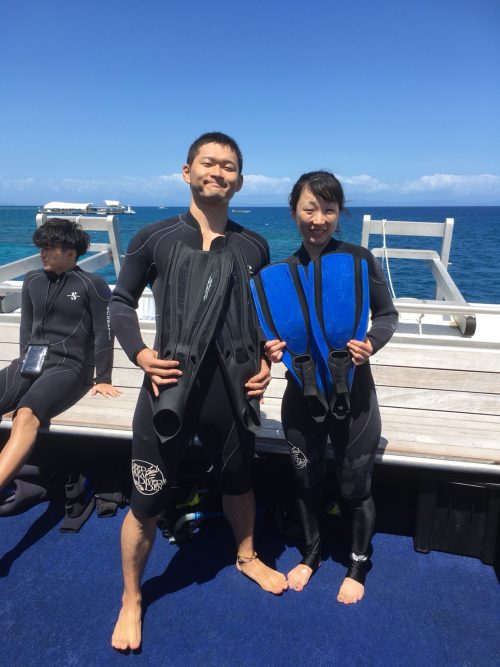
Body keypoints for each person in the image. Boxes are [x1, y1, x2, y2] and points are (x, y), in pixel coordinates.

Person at [110, 132, 288, 652]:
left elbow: (260, 317)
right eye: (208, 163)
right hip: (168, 388)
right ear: (186, 172)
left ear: (240, 181)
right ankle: (131, 597)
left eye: (229, 166)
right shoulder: (155, 238)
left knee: (239, 480)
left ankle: (247, 555)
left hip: (233, 393)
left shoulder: (254, 246)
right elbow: (120, 302)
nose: (218, 172)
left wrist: (266, 361)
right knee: (146, 500)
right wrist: (140, 355)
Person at [264, 171, 398, 604]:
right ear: (294, 212)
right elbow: (266, 331)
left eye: (328, 209)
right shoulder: (279, 276)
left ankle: (358, 564)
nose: (318, 219)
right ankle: (312, 554)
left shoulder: (359, 261)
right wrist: (269, 349)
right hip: (301, 398)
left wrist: (371, 344)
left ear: (339, 214)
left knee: (355, 488)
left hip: (354, 396)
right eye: (309, 209)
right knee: (306, 482)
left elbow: (387, 315)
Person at [0, 218, 121, 496]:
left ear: (71, 252)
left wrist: (103, 378)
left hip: (68, 366)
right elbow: (26, 328)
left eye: (49, 247)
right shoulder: (32, 280)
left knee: (25, 415)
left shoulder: (93, 284)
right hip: (29, 362)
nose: (42, 253)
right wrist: (22, 367)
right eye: (41, 247)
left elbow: (104, 333)